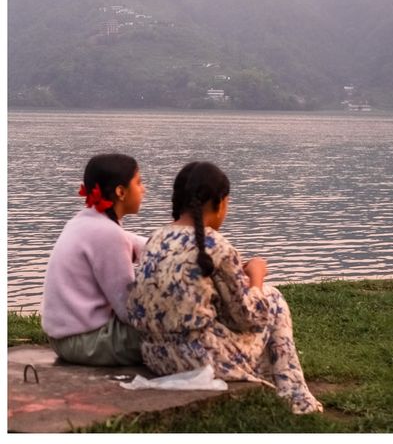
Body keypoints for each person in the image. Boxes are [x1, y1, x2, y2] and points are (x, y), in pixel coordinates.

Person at [127, 161, 323, 414]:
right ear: (219, 202)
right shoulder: (216, 246)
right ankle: (296, 398)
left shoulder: (156, 238)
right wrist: (256, 277)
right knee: (272, 299)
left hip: (156, 356)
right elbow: (250, 317)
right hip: (199, 361)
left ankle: (273, 389)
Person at [41, 153, 147, 366]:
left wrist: (172, 246)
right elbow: (128, 309)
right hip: (85, 341)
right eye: (138, 182)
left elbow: (136, 242)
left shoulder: (85, 221)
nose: (143, 189)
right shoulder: (107, 233)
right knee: (171, 333)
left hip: (64, 338)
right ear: (121, 192)